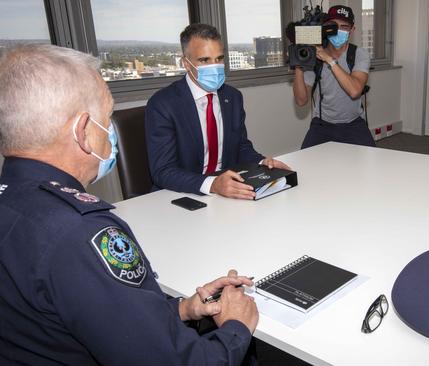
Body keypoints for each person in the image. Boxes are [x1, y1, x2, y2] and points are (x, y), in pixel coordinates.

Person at [0, 44, 258, 365]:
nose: (110, 132)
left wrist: (181, 308)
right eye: (106, 117)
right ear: (82, 131)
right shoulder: (82, 233)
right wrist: (236, 327)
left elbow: (90, 316)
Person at [146, 24, 289, 200]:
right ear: (186, 63)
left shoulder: (232, 97)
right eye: (204, 60)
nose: (214, 67)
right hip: (180, 194)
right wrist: (212, 185)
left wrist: (263, 162)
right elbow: (163, 171)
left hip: (227, 190)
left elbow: (241, 146)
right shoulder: (163, 104)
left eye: (219, 58)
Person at [292, 5, 375, 149]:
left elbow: (354, 91)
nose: (339, 30)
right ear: (325, 28)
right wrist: (298, 63)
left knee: (370, 164)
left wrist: (329, 60)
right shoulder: (315, 57)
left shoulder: (358, 54)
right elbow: (301, 101)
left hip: (353, 123)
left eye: (344, 26)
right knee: (305, 166)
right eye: (334, 26)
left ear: (352, 30)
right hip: (322, 124)